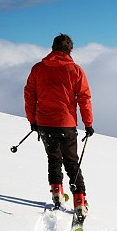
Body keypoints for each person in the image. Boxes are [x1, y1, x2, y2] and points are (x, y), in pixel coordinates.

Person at [24, 33, 94, 220]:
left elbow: (30, 95)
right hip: (66, 124)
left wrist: (33, 121)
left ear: (53, 47)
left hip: (44, 124)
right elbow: (84, 98)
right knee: (72, 163)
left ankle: (56, 193)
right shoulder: (75, 70)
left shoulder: (38, 69)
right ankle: (79, 202)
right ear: (69, 50)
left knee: (53, 159)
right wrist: (88, 124)